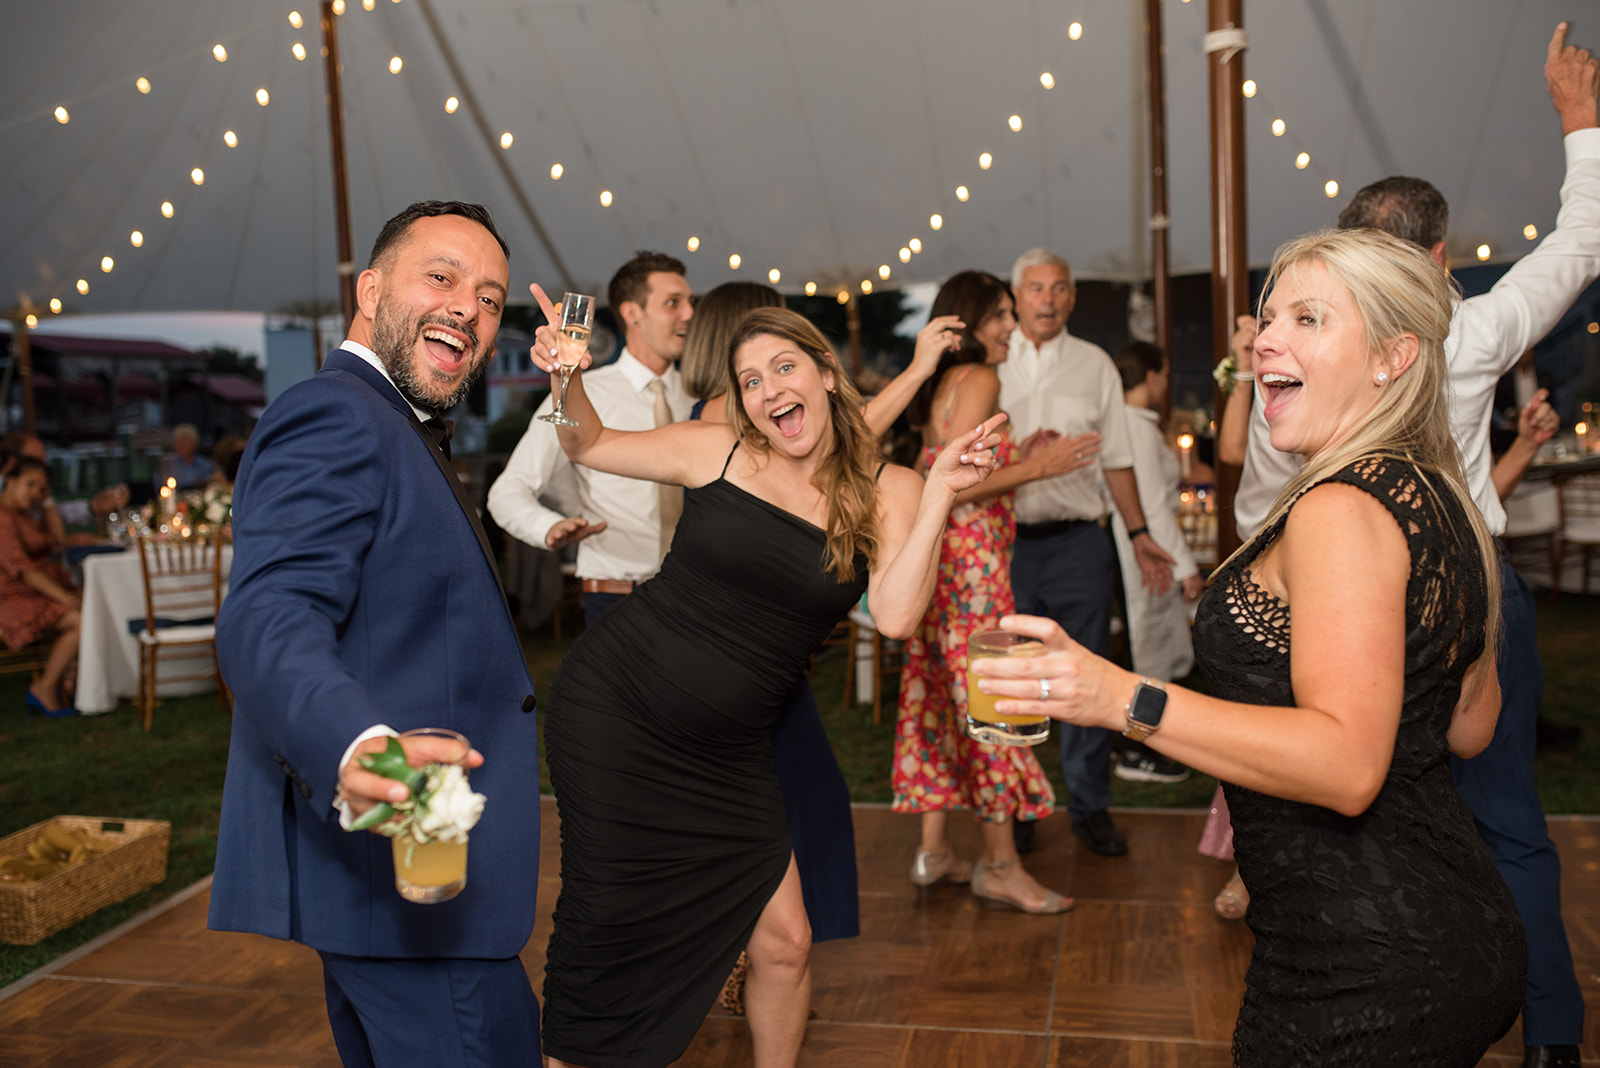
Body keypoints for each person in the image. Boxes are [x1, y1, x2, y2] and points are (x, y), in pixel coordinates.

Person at [977, 228, 1526, 1065]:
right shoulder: (1438, 496)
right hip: (1442, 925)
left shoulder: (1343, 509)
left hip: (1361, 966)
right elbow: (1466, 727)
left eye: (1308, 319)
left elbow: (1348, 766)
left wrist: (1117, 698)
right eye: (1269, 319)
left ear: (1393, 356)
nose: (1266, 337)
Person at [1219, 25, 1597, 1065]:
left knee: (1375, 805)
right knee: (1501, 819)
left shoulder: (1312, 363)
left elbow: (1262, 490)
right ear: (1438, 258)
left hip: (1357, 599)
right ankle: (1549, 1035)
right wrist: (1580, 130)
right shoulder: (1467, 330)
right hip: (1469, 589)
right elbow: (1579, 243)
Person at [531, 298, 1003, 1068]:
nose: (768, 389)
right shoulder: (719, 451)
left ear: (825, 375)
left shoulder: (893, 490)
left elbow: (895, 616)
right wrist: (565, 381)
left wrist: (944, 492)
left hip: (728, 750)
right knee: (607, 917)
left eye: (784, 367)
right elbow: (588, 443)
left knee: (786, 940)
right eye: (750, 380)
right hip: (618, 710)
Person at [208, 201, 543, 1066]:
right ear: (370, 290)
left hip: (406, 888)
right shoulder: (336, 414)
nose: (469, 308)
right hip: (406, 870)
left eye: (490, 297)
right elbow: (268, 611)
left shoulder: (392, 424)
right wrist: (354, 743)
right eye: (442, 277)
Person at [892, 270, 1099, 914]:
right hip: (974, 564)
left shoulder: (944, 382)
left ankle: (932, 852)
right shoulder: (982, 377)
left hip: (938, 562)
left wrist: (1017, 454)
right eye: (1002, 315)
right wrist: (1037, 467)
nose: (1013, 325)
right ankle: (1001, 865)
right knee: (990, 702)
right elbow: (953, 481)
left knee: (938, 692)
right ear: (974, 321)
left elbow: (941, 463)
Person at [996, 247, 1176, 857]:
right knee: (1011, 681)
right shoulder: (991, 364)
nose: (1047, 299)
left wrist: (1138, 533)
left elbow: (1118, 459)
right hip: (1006, 545)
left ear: (1072, 297)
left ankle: (1090, 806)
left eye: (1059, 288)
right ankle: (1016, 806)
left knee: (1085, 671)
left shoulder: (1095, 364)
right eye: (1036, 288)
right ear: (1016, 297)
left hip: (1079, 541)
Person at [487, 251, 695, 625]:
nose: (689, 314)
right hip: (616, 594)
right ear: (632, 313)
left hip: (695, 593)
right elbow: (506, 493)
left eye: (689, 302)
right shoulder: (581, 394)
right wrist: (549, 527)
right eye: (673, 303)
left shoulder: (698, 399)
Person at [1108, 341, 1201, 785]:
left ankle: (1134, 741)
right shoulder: (1134, 427)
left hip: (1143, 549)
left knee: (1148, 645)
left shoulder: (1133, 424)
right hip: (1147, 553)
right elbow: (1153, 507)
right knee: (1148, 650)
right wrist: (1185, 565)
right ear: (1150, 376)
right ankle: (1136, 746)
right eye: (1163, 374)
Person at [0, 457, 82, 717]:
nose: (35, 493)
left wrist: (46, 502)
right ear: (9, 481)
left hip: (33, 591)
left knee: (93, 603)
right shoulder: (2, 520)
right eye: (30, 485)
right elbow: (25, 572)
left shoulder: (24, 516)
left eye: (42, 489)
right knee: (78, 620)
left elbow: (56, 542)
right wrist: (65, 597)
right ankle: (46, 689)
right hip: (11, 598)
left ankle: (72, 680)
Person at [0, 432, 129, 533]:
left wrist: (92, 507)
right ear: (12, 464)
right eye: (35, 462)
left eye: (44, 462)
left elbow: (57, 513)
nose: (43, 468)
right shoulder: (10, 499)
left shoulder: (29, 493)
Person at [163, 424, 213, 490]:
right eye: (179, 440)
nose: (182, 444)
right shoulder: (168, 464)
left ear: (195, 444)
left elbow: (210, 482)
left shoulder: (205, 464)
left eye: (185, 441)